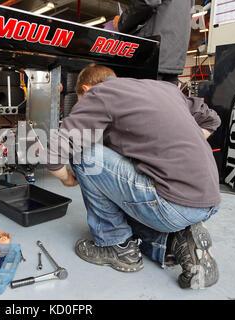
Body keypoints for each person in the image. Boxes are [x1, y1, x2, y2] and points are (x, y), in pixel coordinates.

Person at [46, 64, 221, 289]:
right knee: (123, 170)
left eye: (81, 102)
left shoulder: (99, 94)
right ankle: (175, 241)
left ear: (87, 90)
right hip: (208, 200)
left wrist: (66, 178)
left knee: (84, 154)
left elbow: (53, 153)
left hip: (172, 204)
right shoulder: (165, 89)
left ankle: (116, 245)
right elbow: (211, 120)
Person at [112, 0, 193, 84]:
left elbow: (148, 2)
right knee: (166, 95)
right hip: (174, 57)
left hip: (152, 55)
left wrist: (121, 22)